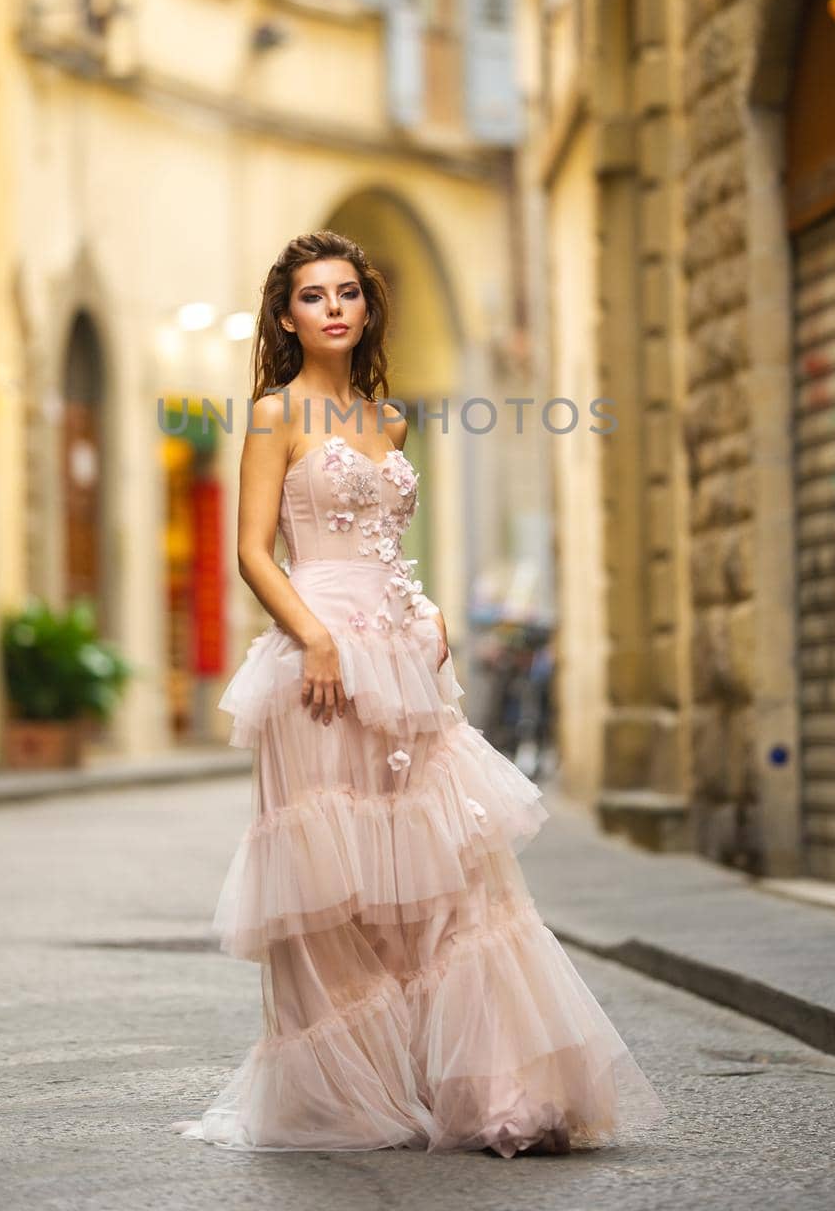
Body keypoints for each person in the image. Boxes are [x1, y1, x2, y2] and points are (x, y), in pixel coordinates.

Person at [171, 230, 666, 1156]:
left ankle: (487, 1087)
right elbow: (250, 551)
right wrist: (312, 638)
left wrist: (430, 616)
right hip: (316, 657)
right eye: (312, 296)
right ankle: (352, 1095)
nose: (332, 308)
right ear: (286, 317)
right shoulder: (275, 416)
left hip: (405, 657)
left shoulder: (388, 419)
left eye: (347, 292)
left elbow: (388, 544)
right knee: (334, 885)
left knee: (448, 873)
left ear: (366, 308)